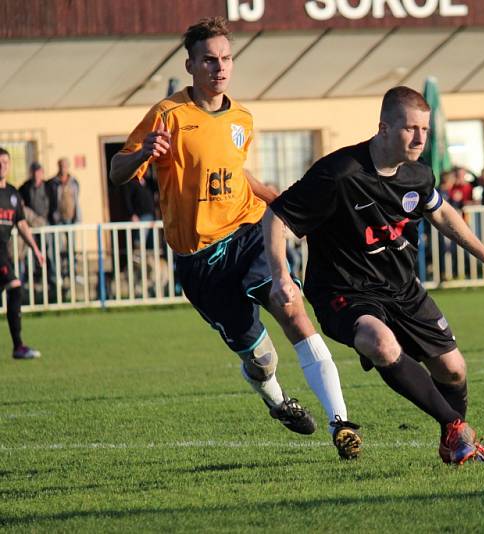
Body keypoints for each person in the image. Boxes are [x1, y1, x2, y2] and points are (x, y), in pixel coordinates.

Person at [109, 17, 361, 460]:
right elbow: (117, 172)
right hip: (201, 261)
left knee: (291, 308)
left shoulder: (242, 117)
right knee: (261, 360)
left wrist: (278, 198)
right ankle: (278, 401)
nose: (219, 68)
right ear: (190, 65)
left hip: (248, 232)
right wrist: (145, 152)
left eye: (226, 58)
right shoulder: (168, 115)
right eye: (209, 60)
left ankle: (341, 423)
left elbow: (235, 173)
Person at [264, 86, 484, 465]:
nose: (419, 138)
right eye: (410, 129)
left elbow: (442, 213)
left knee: (453, 371)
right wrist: (280, 274)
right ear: (383, 128)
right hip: (345, 291)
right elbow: (278, 215)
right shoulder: (339, 173)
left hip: (403, 289)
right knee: (380, 342)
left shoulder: (418, 175)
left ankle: (454, 443)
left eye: (425, 130)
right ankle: (458, 430)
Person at [0, 148, 45, 359]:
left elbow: (21, 224)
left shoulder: (12, 194)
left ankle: (18, 346)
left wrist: (35, 249)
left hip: (4, 250)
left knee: (13, 289)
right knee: (15, 286)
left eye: (6, 162)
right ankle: (18, 346)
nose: (3, 166)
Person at [19, 162, 56, 294]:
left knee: (50, 251)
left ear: (42, 173)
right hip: (30, 227)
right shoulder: (25, 187)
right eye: (34, 172)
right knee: (30, 254)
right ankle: (32, 280)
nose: (36, 175)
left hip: (45, 225)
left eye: (39, 172)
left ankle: (52, 279)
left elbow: (54, 205)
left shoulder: (49, 186)